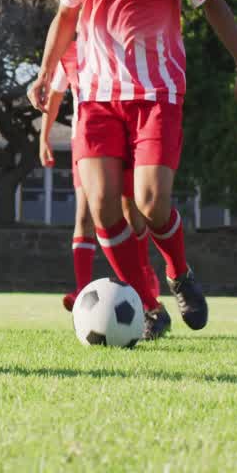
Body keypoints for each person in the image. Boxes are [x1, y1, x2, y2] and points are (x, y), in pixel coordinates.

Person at [28, 0, 237, 340]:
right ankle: (148, 306)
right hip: (96, 99)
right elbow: (66, 16)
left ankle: (178, 272)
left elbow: (213, 4)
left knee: (151, 206)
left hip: (156, 96)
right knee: (102, 207)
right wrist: (45, 69)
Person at [38, 42, 160, 314]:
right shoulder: (67, 52)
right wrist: (43, 136)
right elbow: (56, 94)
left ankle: (143, 274)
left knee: (131, 209)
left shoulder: (118, 44)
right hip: (85, 139)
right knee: (85, 214)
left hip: (125, 134)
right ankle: (82, 289)